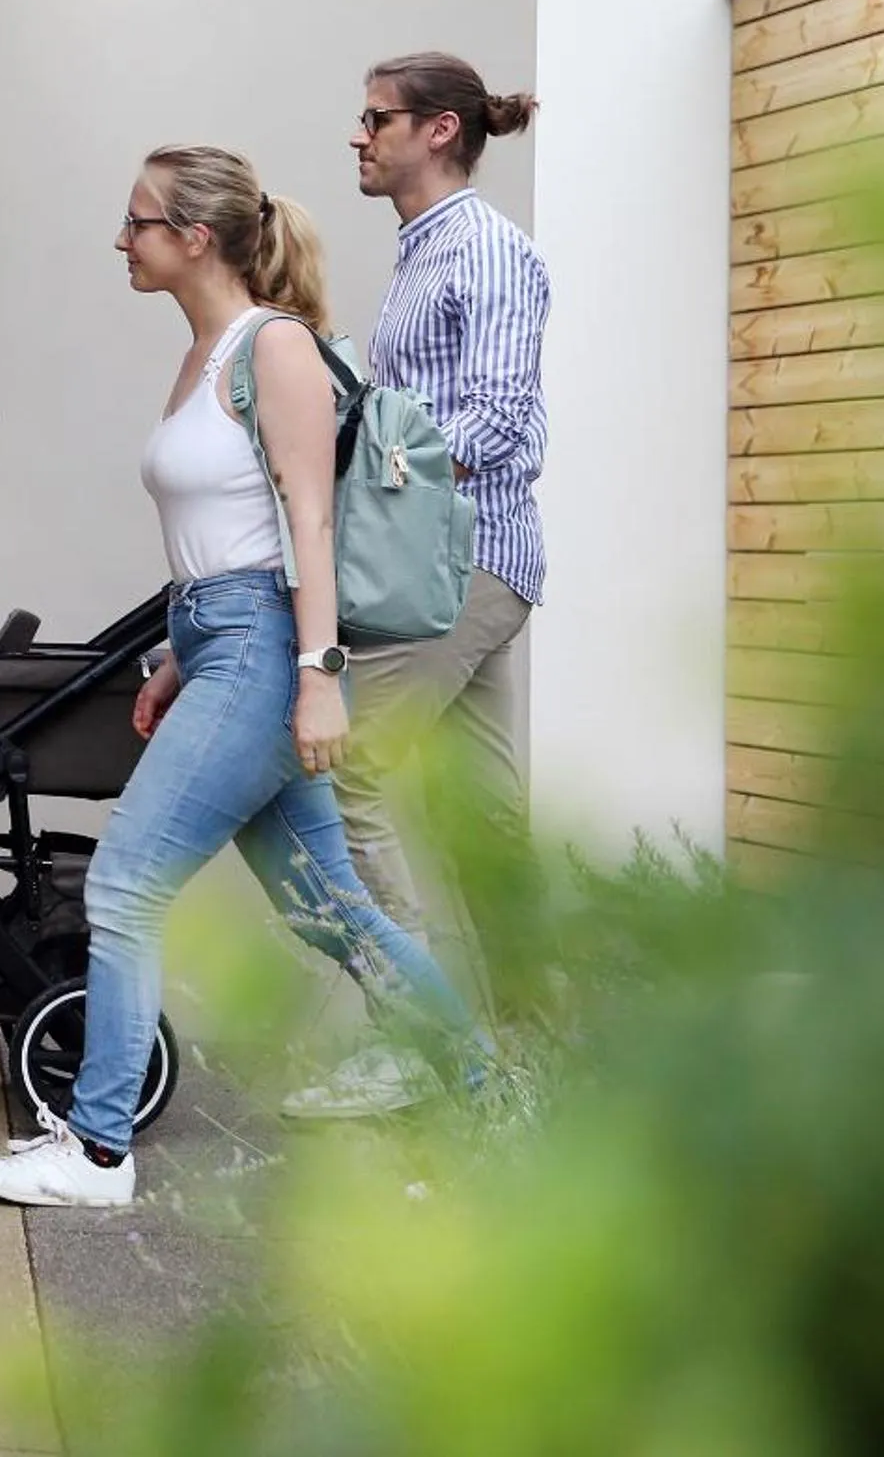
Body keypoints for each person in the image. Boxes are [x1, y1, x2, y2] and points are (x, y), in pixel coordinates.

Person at [0, 145, 482, 1209]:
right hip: (218, 642)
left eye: (137, 221)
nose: (120, 239)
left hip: (266, 649)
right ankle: (488, 1105)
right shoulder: (204, 353)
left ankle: (98, 1152)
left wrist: (318, 674)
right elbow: (220, 537)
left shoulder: (273, 348)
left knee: (125, 884)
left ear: (195, 237)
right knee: (332, 910)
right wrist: (171, 654)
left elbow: (309, 523)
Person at [280, 54, 549, 1123]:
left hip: (458, 565)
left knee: (352, 772)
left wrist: (364, 466)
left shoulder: (484, 249)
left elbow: (498, 420)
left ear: (438, 130)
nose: (359, 135)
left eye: (375, 118)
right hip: (455, 561)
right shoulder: (426, 249)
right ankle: (536, 1054)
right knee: (483, 823)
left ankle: (415, 1045)